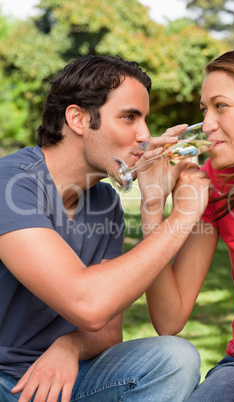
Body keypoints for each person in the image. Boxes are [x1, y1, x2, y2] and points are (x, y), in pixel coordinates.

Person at [0, 55, 211, 401]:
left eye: (144, 119)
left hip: (67, 376)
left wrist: (70, 345)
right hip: (5, 379)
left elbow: (108, 331)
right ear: (78, 118)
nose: (145, 135)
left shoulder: (104, 202)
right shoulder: (12, 185)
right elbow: (88, 304)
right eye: (129, 117)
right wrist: (183, 216)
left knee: (175, 357)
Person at [142, 46, 234, 402]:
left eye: (221, 106)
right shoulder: (215, 181)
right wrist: (154, 207)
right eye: (204, 109)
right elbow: (170, 319)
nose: (208, 124)